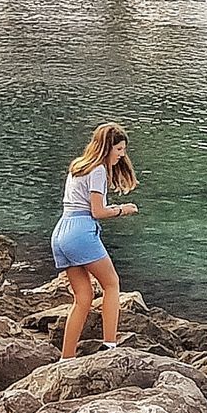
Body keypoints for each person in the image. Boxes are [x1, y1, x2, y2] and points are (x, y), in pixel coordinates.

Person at [52, 122, 139, 360]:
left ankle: (66, 357)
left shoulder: (78, 166)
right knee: (112, 284)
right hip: (80, 232)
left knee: (83, 298)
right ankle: (110, 345)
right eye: (119, 150)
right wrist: (123, 209)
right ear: (107, 147)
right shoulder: (99, 170)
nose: (122, 156)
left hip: (61, 232)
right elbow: (97, 211)